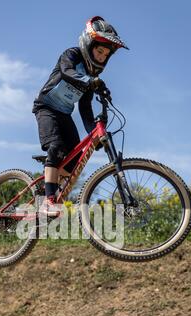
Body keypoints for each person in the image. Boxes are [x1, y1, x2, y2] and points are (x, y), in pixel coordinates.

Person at [32, 16, 129, 216]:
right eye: (99, 51)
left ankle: (47, 185)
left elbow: (85, 109)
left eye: (105, 54)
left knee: (74, 161)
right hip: (46, 108)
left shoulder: (93, 75)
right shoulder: (72, 55)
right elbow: (67, 72)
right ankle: (48, 201)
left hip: (64, 113)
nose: (102, 56)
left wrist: (94, 133)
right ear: (88, 44)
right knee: (57, 147)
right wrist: (90, 81)